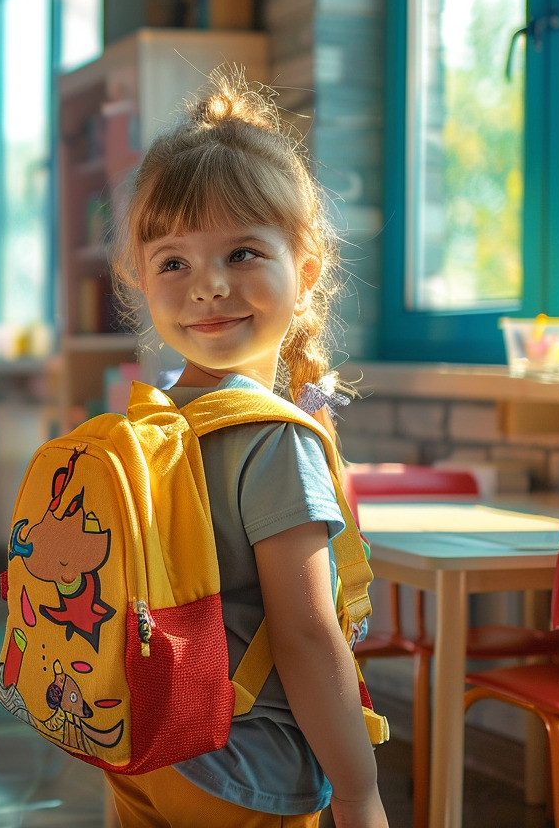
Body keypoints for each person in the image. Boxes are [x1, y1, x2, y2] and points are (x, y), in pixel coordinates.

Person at [105, 67, 389, 828]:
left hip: (142, 749)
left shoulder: (154, 422)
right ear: (140, 279)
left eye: (240, 254)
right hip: (242, 770)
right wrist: (359, 794)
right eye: (175, 262)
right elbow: (303, 635)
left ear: (307, 267)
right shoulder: (270, 441)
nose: (208, 287)